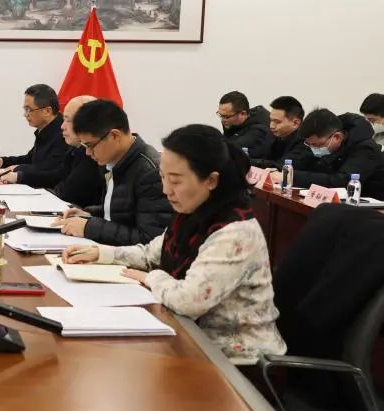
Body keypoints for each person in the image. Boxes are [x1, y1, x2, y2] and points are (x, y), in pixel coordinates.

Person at [62, 124, 286, 364]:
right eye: (163, 177)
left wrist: (150, 277)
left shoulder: (235, 232)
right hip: (192, 341)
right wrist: (100, 253)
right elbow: (150, 254)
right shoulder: (193, 213)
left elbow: (189, 301)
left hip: (239, 363)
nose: (166, 190)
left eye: (176, 181)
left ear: (211, 180)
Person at [56, 99, 172, 245]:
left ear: (114, 136)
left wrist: (89, 227)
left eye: (90, 145)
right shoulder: (114, 160)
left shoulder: (150, 172)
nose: (87, 152)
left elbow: (149, 239)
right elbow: (122, 212)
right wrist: (89, 214)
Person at [288, 108, 384, 199]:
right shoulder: (324, 143)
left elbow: (342, 181)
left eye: (316, 145)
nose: (313, 149)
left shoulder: (365, 149)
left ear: (337, 137)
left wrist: (291, 176)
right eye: (309, 144)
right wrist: (284, 172)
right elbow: (303, 163)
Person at [0, 84, 70, 189]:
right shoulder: (45, 130)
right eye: (25, 109)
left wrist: (18, 170)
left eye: (29, 109)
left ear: (47, 111)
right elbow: (30, 159)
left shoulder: (64, 134)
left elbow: (51, 171)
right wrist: (3, 161)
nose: (25, 114)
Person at [52, 94, 105, 205]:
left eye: (68, 121)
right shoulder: (75, 149)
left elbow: (67, 193)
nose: (62, 126)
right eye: (63, 120)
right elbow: (58, 179)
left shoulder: (93, 154)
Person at [250, 95, 312, 169]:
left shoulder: (306, 142)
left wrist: (250, 162)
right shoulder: (272, 134)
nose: (272, 126)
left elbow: (282, 166)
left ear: (295, 123)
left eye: (277, 122)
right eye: (271, 120)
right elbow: (257, 154)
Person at [217, 91, 273, 159]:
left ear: (243, 114)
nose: (223, 120)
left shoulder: (259, 131)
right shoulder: (232, 123)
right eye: (221, 115)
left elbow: (230, 149)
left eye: (226, 116)